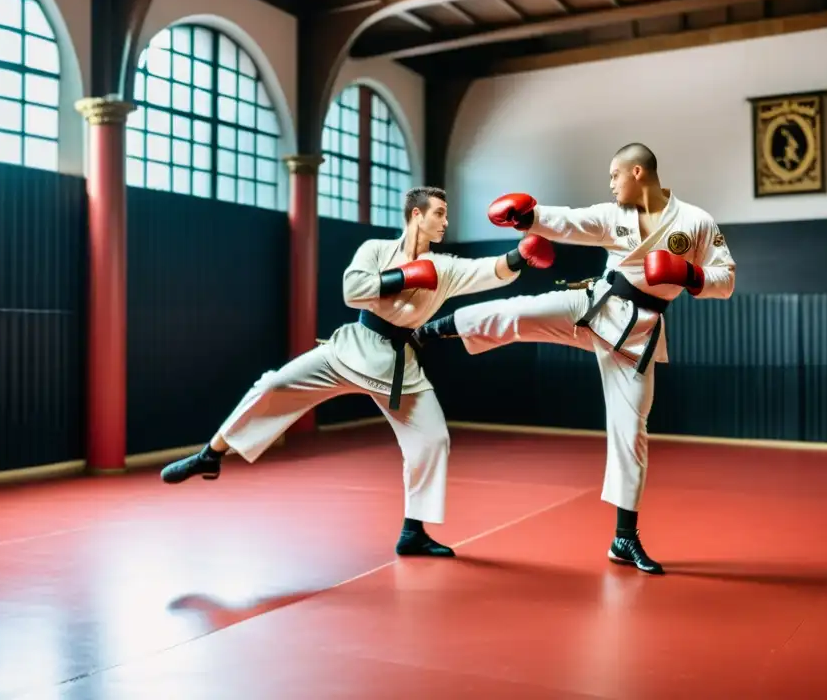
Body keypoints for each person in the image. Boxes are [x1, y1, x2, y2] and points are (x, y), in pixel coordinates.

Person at [159, 186, 556, 558]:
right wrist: (404, 276)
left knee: (433, 440)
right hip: (350, 350)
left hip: (399, 365)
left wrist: (522, 253)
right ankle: (210, 454)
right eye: (439, 214)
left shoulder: (445, 267)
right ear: (416, 215)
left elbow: (491, 270)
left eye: (446, 215)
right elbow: (353, 291)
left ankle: (413, 532)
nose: (445, 222)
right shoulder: (376, 249)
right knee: (274, 384)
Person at [412, 144, 735, 574]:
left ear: (637, 172)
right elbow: (568, 220)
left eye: (614, 175)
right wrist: (528, 217)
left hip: (636, 338)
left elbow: (727, 278)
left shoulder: (695, 222)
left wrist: (690, 276)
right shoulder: (611, 215)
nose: (610, 183)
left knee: (630, 431)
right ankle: (429, 331)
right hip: (592, 307)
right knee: (519, 311)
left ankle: (625, 538)